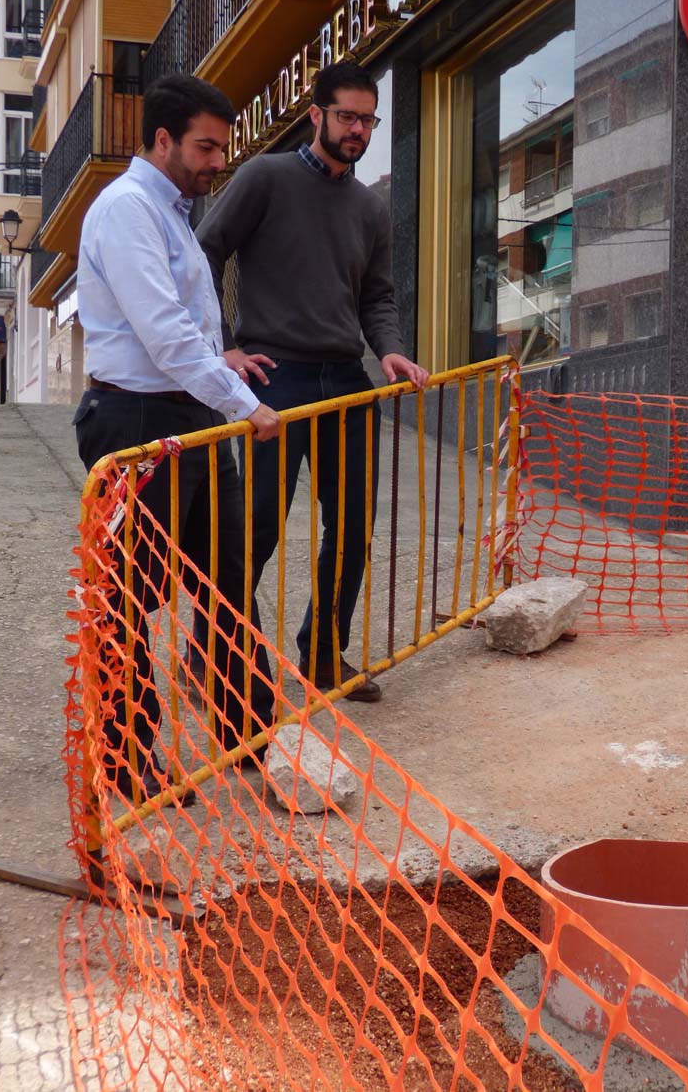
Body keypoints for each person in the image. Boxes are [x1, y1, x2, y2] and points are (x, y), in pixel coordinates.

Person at [73, 73, 281, 798]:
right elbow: (162, 334)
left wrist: (216, 366)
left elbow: (179, 327)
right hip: (136, 422)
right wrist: (242, 403)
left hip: (186, 415)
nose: (216, 160)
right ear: (162, 139)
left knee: (227, 578)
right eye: (204, 146)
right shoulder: (128, 209)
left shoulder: (170, 211)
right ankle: (129, 759)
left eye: (222, 146)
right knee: (129, 598)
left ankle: (252, 733)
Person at [195, 61, 428, 702]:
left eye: (368, 120)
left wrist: (391, 352)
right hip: (274, 377)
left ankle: (324, 654)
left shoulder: (370, 207)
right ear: (315, 115)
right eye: (347, 116)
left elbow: (377, 297)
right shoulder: (264, 177)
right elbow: (203, 254)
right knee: (257, 529)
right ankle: (207, 658)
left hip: (346, 382)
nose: (358, 130)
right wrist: (223, 349)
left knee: (352, 527)